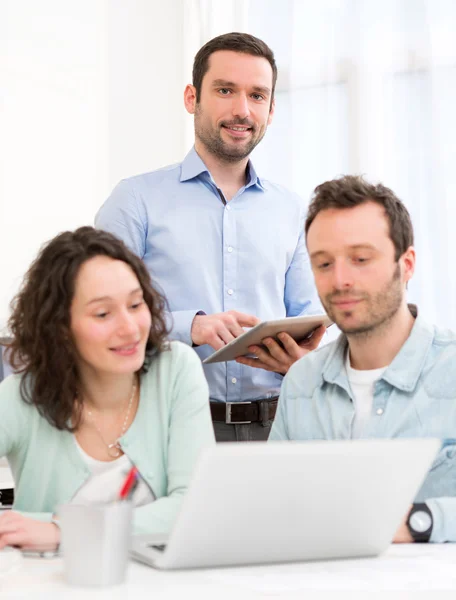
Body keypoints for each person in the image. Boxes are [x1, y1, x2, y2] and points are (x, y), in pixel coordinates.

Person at [95, 32, 325, 442]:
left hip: (278, 428)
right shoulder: (135, 200)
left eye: (257, 96)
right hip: (168, 429)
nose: (242, 110)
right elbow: (95, 317)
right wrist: (191, 326)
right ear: (191, 98)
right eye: (225, 90)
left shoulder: (294, 211)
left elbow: (309, 316)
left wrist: (305, 357)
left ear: (271, 111)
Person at [270, 175, 456, 543]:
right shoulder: (301, 382)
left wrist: (419, 521)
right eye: (323, 264)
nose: (340, 280)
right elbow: (273, 506)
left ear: (406, 265)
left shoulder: (455, 370)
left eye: (360, 259)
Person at [0, 227, 214, 551]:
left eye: (135, 304)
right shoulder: (21, 396)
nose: (129, 328)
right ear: (59, 327)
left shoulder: (175, 369)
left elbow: (194, 508)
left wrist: (62, 531)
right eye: (103, 314)